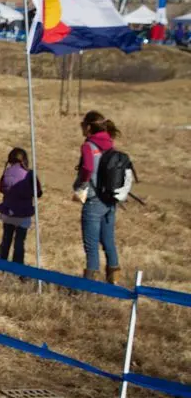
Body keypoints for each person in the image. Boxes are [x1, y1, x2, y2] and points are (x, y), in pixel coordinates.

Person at [73, 110, 121, 283]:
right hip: (110, 200)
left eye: (82, 125)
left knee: (91, 244)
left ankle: (90, 284)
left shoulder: (88, 146)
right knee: (108, 240)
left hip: (93, 200)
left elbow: (87, 168)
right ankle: (114, 278)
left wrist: (82, 185)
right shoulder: (109, 144)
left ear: (88, 127)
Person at [0, 147, 41, 266]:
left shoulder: (6, 172)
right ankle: (18, 268)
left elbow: (1, 189)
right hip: (23, 214)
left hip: (8, 212)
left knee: (6, 239)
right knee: (19, 242)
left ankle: (1, 264)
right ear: (25, 159)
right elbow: (38, 192)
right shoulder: (29, 174)